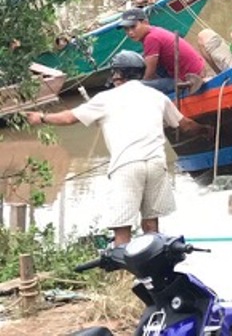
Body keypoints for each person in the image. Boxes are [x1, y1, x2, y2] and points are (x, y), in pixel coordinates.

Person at [24, 51, 212, 246]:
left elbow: (69, 118)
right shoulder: (157, 96)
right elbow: (186, 125)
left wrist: (42, 118)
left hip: (126, 166)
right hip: (156, 164)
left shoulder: (105, 98)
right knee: (151, 226)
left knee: (122, 227)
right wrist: (206, 130)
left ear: (118, 75)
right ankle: (152, 269)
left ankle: (126, 269)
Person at [118, 8, 208, 93]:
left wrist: (141, 84)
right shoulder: (155, 31)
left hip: (190, 78)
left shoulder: (151, 38)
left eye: (133, 27)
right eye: (126, 29)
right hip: (196, 69)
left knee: (136, 87)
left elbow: (149, 75)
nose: (130, 32)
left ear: (145, 22)